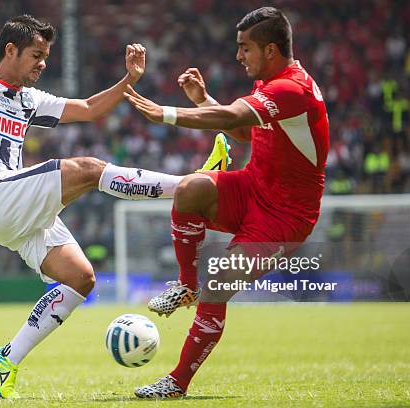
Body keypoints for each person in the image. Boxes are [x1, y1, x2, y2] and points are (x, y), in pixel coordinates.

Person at [0, 15, 228, 399]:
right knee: (88, 169)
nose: (43, 64)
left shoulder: (28, 99)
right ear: (11, 50)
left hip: (17, 206)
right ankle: (193, 184)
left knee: (81, 278)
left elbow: (89, 108)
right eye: (36, 55)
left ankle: (7, 358)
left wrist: (129, 81)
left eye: (46, 56)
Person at [124, 7, 329, 398]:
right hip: (253, 188)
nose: (239, 56)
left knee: (217, 282)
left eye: (245, 48)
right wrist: (203, 99)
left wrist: (167, 113)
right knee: (190, 189)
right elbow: (241, 131)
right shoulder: (271, 82)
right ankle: (185, 286)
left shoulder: (292, 89)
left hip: (285, 218)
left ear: (270, 50)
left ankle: (177, 382)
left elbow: (234, 115)